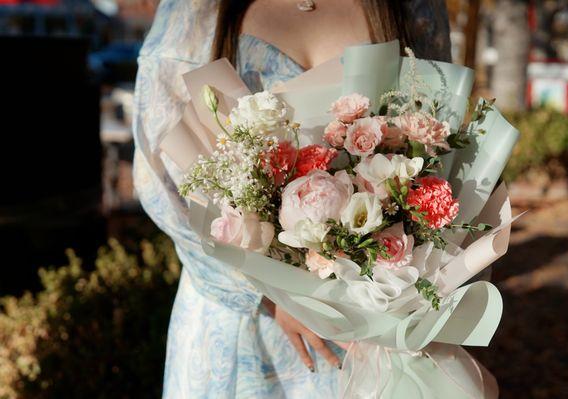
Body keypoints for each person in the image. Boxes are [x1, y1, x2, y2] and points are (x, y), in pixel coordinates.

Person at [132, 1, 452, 397]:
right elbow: (159, 176)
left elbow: (439, 135)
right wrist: (270, 292)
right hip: (245, 324)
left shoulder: (415, 6)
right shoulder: (194, 10)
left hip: (371, 315)